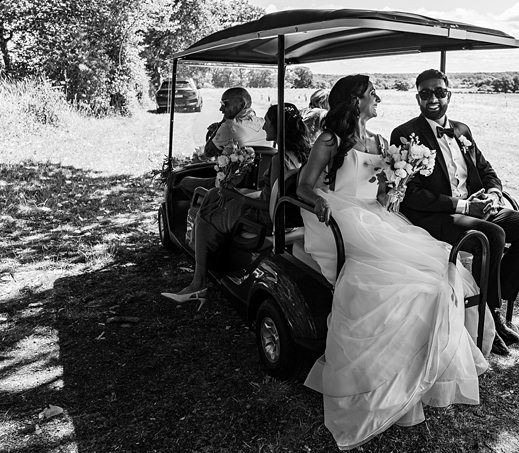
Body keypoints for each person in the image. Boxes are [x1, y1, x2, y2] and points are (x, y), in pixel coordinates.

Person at [296, 74, 495, 450]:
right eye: (373, 95)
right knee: (403, 284)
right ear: (356, 101)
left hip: (375, 218)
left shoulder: (381, 141)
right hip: (344, 217)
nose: (379, 100)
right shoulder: (330, 140)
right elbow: (304, 185)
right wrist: (318, 199)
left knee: (442, 271)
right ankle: (379, 386)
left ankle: (419, 375)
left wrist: (394, 187)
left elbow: (383, 193)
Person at [390, 68, 519, 357]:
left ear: (448, 94)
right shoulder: (405, 135)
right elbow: (411, 194)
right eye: (426, 93)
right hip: (440, 215)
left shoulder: (462, 130)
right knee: (491, 235)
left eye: (439, 92)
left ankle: (495, 303)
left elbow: (486, 170)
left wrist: (494, 193)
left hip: (478, 207)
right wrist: (463, 206)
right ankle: (488, 319)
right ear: (417, 98)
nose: (433, 98)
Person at [161, 103, 310, 305]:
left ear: (278, 127)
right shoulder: (303, 154)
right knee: (215, 195)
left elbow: (269, 203)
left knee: (207, 211)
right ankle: (211, 267)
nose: (264, 127)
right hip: (289, 214)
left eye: (267, 123)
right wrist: (240, 193)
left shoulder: (278, 160)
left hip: (265, 217)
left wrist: (238, 197)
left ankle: (198, 283)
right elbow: (273, 194)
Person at [204, 87, 269, 157]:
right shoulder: (264, 124)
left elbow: (208, 153)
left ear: (241, 104)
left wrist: (222, 123)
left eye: (224, 104)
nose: (221, 109)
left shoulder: (228, 127)